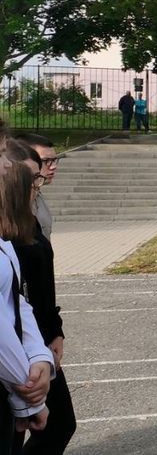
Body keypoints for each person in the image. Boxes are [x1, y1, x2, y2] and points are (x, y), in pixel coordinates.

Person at [5, 143, 73, 454]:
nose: (39, 182)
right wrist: (26, 388)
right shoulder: (9, 231)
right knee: (54, 424)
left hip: (35, 346)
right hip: (20, 360)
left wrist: (52, 332)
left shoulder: (28, 218)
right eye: (34, 175)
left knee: (58, 424)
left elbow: (23, 298)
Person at [0, 146, 55, 451]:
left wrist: (39, 356)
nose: (8, 164)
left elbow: (17, 303)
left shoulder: (4, 241)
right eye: (0, 153)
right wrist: (29, 397)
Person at [13, 136, 56, 242]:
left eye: (54, 160)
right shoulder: (12, 202)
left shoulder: (38, 196)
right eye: (46, 161)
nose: (53, 166)